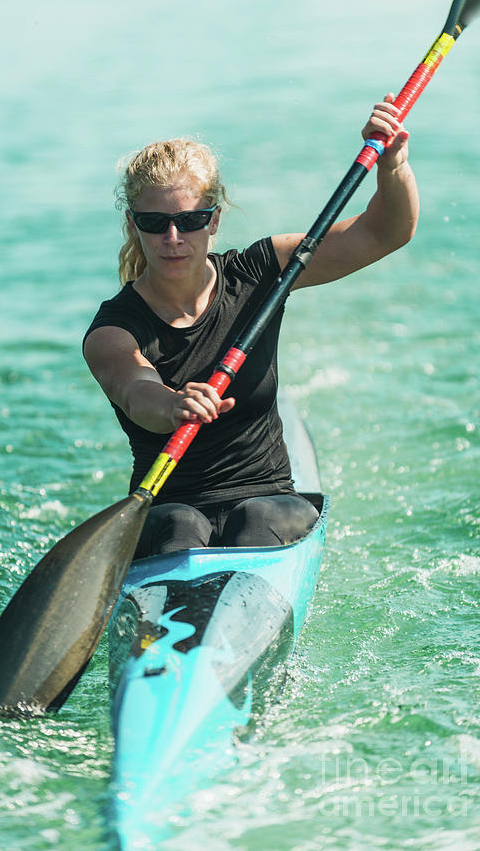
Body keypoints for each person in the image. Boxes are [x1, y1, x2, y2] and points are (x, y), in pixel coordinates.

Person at [83, 95, 419, 558]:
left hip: (269, 500)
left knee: (253, 519)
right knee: (182, 525)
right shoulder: (113, 330)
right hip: (167, 510)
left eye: (191, 220)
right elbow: (136, 389)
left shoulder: (261, 272)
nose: (174, 238)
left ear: (215, 219)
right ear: (133, 224)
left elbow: (384, 234)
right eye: (155, 223)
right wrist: (173, 404)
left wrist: (393, 166)